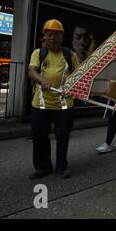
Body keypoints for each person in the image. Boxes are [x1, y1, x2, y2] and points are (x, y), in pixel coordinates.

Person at [28, 19, 79, 179]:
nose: (51, 38)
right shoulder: (38, 53)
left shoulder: (70, 55)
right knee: (39, 135)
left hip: (64, 104)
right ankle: (43, 167)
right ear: (44, 36)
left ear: (61, 37)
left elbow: (79, 76)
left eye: (55, 35)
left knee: (62, 135)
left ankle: (61, 167)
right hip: (40, 104)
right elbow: (31, 72)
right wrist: (41, 80)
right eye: (48, 35)